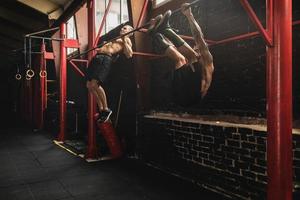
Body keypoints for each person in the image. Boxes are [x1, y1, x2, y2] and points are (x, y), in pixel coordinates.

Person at [147, 3, 214, 98]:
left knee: (184, 58)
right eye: (194, 48)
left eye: (197, 49)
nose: (195, 49)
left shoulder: (207, 61)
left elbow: (198, 37)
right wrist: (157, 32)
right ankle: (158, 32)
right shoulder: (193, 66)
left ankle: (165, 30)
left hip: (192, 95)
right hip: (182, 92)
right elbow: (170, 47)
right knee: (181, 58)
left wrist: (189, 15)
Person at [86, 25, 133, 122]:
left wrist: (124, 39)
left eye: (125, 28)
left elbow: (129, 54)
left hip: (105, 59)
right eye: (122, 28)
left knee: (95, 84)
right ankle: (102, 109)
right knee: (89, 85)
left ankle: (106, 109)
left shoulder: (127, 40)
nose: (122, 29)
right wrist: (103, 46)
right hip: (97, 57)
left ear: (130, 32)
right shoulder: (115, 38)